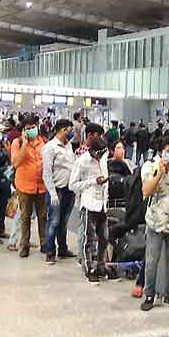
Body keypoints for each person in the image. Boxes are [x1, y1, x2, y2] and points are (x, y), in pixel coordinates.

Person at [140, 136, 169, 311]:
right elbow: (146, 191)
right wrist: (159, 173)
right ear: (162, 152)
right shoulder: (150, 167)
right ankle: (149, 295)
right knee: (151, 262)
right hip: (156, 223)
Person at [69, 136, 110, 284]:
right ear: (91, 151)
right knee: (89, 240)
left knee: (104, 238)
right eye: (98, 154)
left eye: (102, 154)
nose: (100, 157)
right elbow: (72, 185)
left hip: (103, 204)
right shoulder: (82, 162)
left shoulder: (104, 157)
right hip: (89, 204)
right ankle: (89, 268)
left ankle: (101, 265)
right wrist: (93, 182)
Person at [40, 119, 77, 265]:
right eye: (69, 130)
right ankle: (50, 251)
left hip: (69, 189)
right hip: (56, 190)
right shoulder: (50, 147)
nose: (71, 133)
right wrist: (52, 193)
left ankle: (63, 248)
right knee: (54, 221)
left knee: (63, 222)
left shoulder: (68, 146)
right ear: (62, 130)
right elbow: (47, 172)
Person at [11, 115, 48, 258]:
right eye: (28, 129)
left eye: (33, 127)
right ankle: (24, 245)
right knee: (25, 217)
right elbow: (16, 163)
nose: (32, 130)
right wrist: (25, 144)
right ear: (23, 131)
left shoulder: (42, 143)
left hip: (41, 186)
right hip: (24, 187)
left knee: (43, 216)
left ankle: (44, 244)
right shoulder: (17, 143)